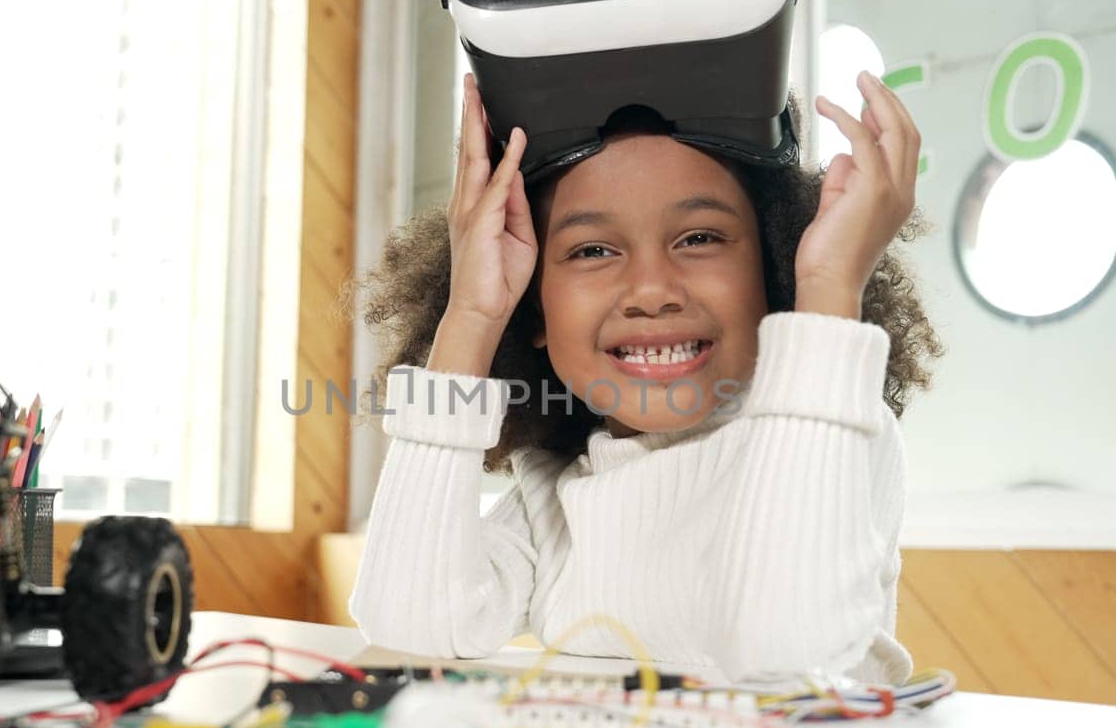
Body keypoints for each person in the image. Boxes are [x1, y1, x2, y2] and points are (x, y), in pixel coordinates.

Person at [348, 71, 941, 684]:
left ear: (776, 271)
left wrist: (830, 285)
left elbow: (787, 654)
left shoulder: (843, 435)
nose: (652, 291)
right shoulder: (553, 493)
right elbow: (408, 625)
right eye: (592, 251)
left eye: (699, 238)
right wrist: (472, 315)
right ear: (534, 308)